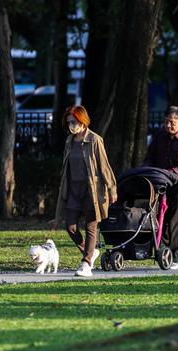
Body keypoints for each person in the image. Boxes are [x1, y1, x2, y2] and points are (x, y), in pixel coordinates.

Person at [55, 105, 118, 277]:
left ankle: (86, 263)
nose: (71, 126)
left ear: (82, 121)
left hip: (93, 190)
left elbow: (105, 167)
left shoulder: (95, 139)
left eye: (73, 122)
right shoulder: (69, 141)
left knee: (91, 227)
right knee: (70, 226)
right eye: (68, 123)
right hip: (74, 190)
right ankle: (89, 251)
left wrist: (112, 189)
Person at [143, 106, 178, 269]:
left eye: (172, 122)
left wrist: (171, 173)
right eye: (166, 121)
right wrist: (146, 170)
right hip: (159, 182)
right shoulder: (159, 136)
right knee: (159, 218)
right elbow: (150, 156)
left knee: (174, 218)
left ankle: (174, 255)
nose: (168, 125)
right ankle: (176, 244)